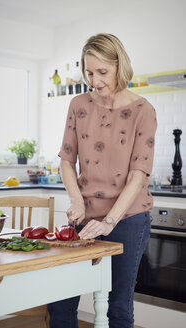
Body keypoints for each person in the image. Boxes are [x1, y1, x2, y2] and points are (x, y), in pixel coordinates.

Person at [47, 33, 157, 328]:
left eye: (102, 72)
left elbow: (138, 174)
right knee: (59, 299)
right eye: (89, 72)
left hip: (127, 219)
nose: (94, 80)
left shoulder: (142, 110)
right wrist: (76, 201)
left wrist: (109, 220)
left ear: (119, 66)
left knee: (118, 307)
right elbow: (67, 160)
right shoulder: (78, 105)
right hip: (84, 216)